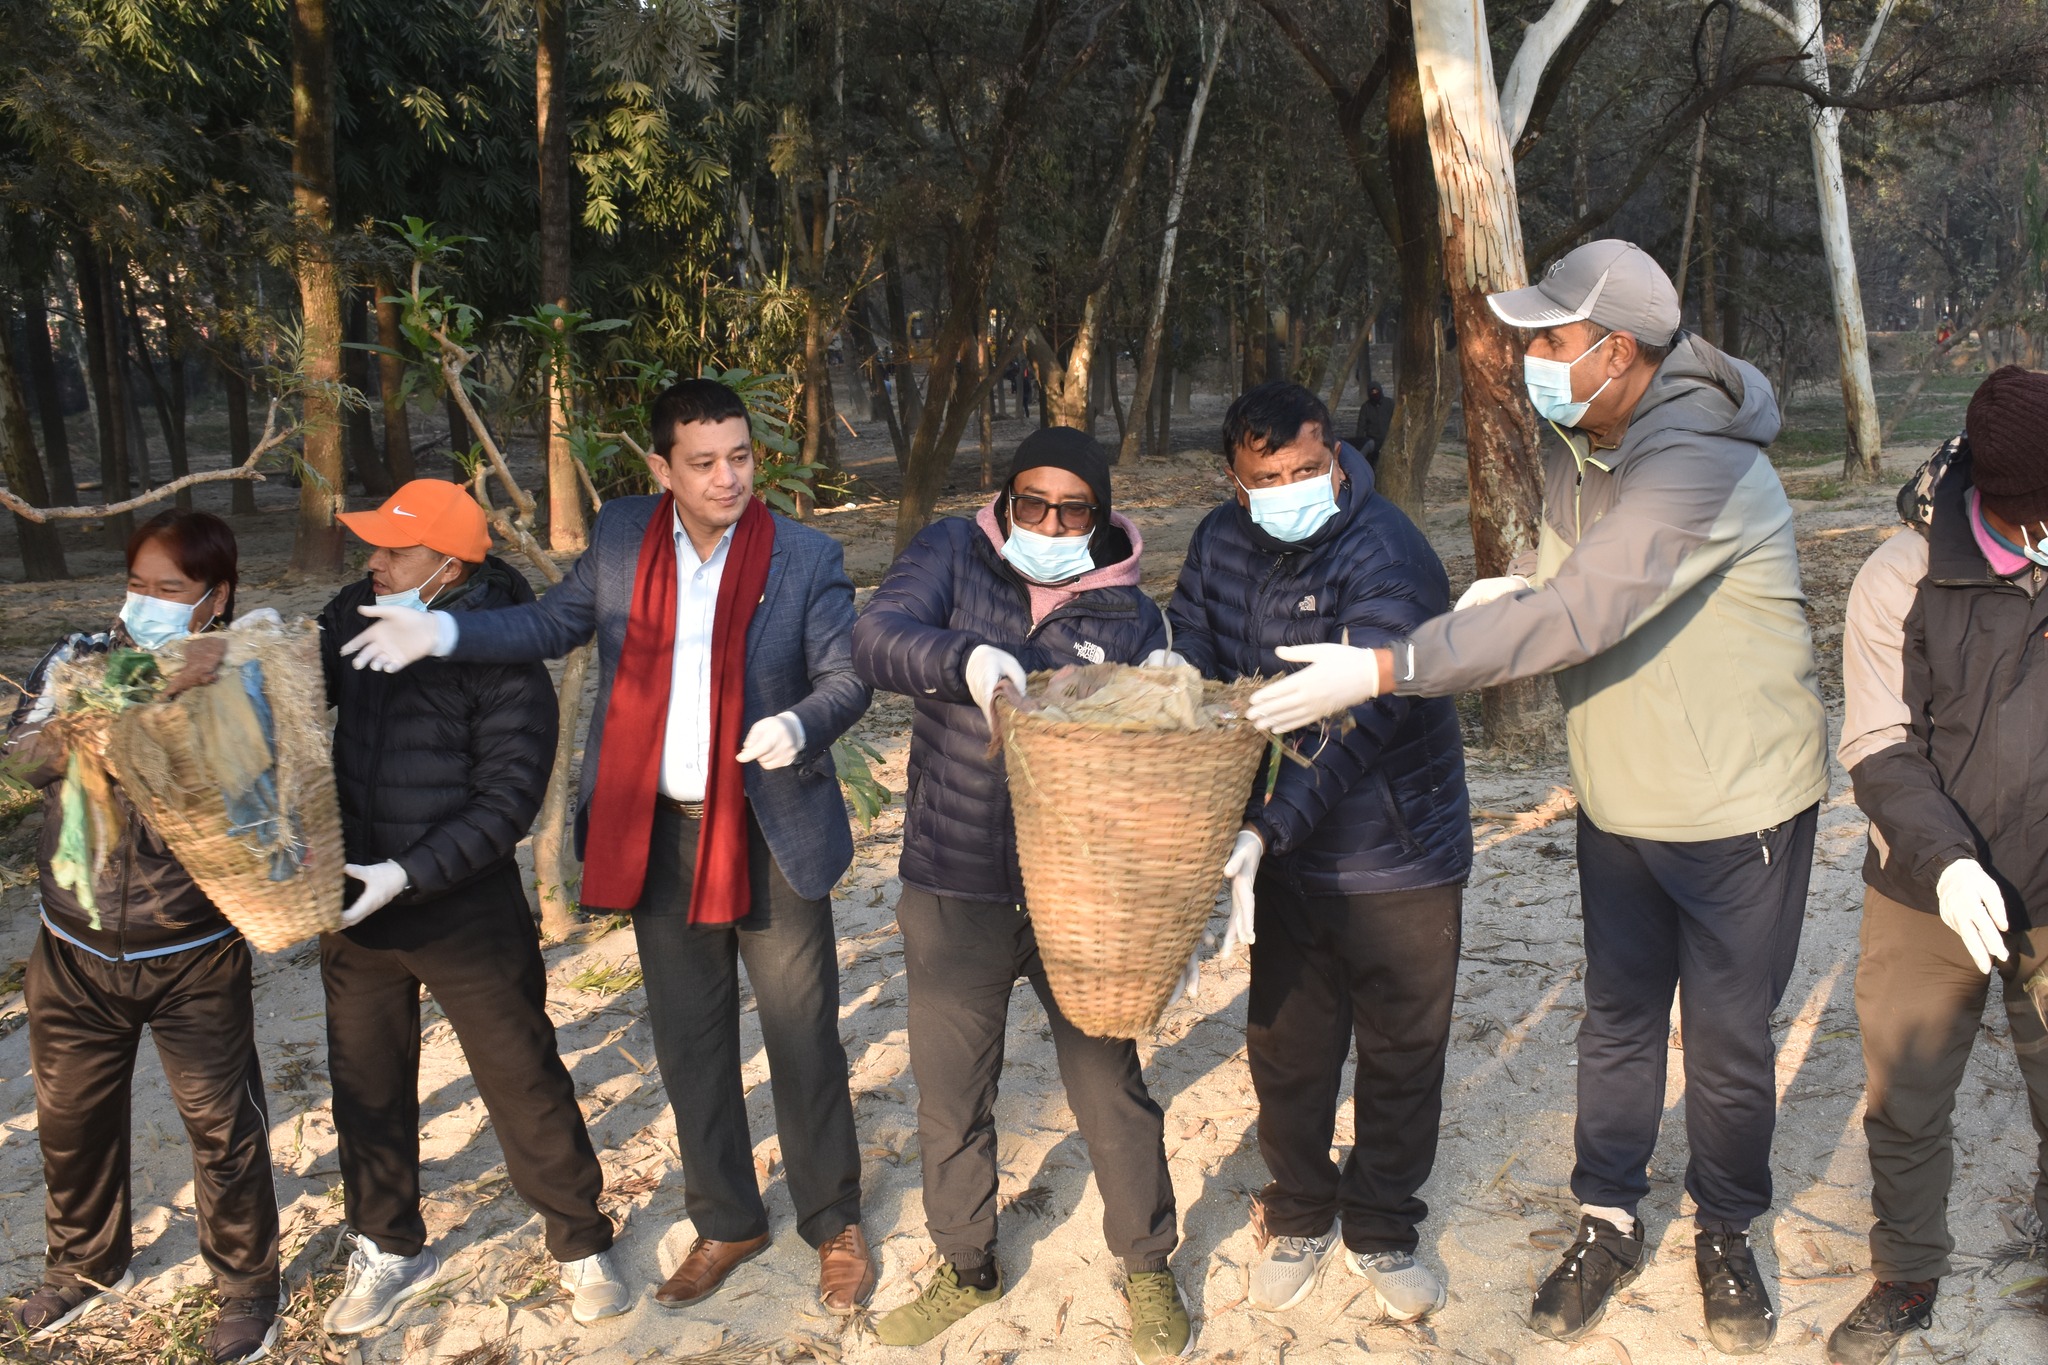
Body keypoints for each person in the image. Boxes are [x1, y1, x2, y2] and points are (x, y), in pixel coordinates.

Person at [1244, 240, 1828, 1354]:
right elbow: (1564, 586)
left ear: (1617, 350)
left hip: (1734, 811)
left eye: (1551, 341)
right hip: (1619, 798)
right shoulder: (1584, 438)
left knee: (1725, 1038)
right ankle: (1606, 1217)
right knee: (1613, 1023)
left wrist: (1384, 664)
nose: (1529, 360)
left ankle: (1724, 1228)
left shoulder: (1700, 464)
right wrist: (1515, 593)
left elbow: (1582, 615)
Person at [338, 379, 877, 1316]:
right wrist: (445, 629)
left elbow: (847, 675)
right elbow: (552, 623)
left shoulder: (804, 553)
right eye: (704, 462)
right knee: (690, 1039)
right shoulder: (626, 534)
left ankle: (832, 1220)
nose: (729, 478)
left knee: (801, 1037)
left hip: (767, 827)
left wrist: (801, 721)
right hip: (660, 832)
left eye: (741, 457)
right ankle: (726, 1220)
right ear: (663, 468)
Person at [850, 428, 1191, 1362]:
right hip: (954, 874)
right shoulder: (952, 554)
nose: (1047, 522)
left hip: (1077, 889)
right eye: (1029, 503)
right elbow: (877, 636)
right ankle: (965, 1266)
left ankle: (1149, 1263)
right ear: (1004, 501)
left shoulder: (1129, 612)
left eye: (1071, 509)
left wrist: (1164, 696)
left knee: (1108, 1083)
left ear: (1100, 516)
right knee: (952, 1092)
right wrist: (961, 660)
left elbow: (1161, 743)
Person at [1165, 381, 1472, 1322]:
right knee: (1288, 1049)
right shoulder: (1222, 539)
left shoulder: (1388, 550)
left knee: (1400, 1050)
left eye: (1309, 468)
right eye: (1270, 476)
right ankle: (1299, 1207)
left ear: (1335, 458)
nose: (1295, 485)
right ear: (1236, 478)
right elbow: (1194, 630)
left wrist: (1266, 824)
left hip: (1398, 851)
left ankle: (1382, 1221)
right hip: (1286, 857)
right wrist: (1174, 670)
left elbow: (1361, 718)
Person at [314, 479, 628, 1335]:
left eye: (394, 550)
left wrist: (408, 871)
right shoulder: (357, 612)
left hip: (461, 907)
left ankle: (580, 1240)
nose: (374, 563)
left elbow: (507, 803)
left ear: (449, 569)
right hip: (356, 908)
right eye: (372, 548)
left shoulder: (500, 657)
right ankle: (389, 1244)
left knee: (520, 1075)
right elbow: (298, 694)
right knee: (366, 1083)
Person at [1, 511, 280, 1363]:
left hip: (189, 947)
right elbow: (25, 756)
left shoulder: (240, 671)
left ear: (214, 597)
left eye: (172, 589)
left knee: (219, 1125)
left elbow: (244, 786)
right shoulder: (79, 654)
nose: (148, 602)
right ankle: (86, 1264)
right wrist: (135, 686)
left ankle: (246, 1289)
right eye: (140, 583)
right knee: (71, 1118)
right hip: (74, 943)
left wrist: (192, 686)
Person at [1828, 368, 2048, 1365]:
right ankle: (1906, 1269)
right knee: (1906, 1100)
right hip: (1926, 893)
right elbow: (1877, 748)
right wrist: (1949, 863)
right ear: (2004, 505)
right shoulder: (1898, 576)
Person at [1350, 382, 1392, 466]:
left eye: (1376, 391)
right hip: (1373, 441)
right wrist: (1360, 441)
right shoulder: (1366, 407)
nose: (1375, 394)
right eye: (1372, 392)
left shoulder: (1389, 403)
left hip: (1388, 440)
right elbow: (1361, 426)